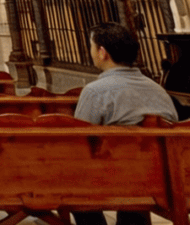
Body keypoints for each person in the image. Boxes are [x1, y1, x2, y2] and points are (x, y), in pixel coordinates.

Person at [72, 22, 177, 225]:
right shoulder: (158, 91)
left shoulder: (96, 91)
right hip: (163, 179)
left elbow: (79, 141)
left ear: (102, 53)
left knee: (73, 185)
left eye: (91, 47)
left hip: (113, 179)